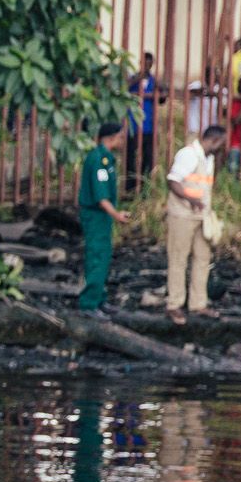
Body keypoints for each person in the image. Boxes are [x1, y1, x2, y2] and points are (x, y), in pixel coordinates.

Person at [164, 123, 227, 325]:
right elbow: (173, 181)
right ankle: (174, 304)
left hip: (202, 216)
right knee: (178, 258)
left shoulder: (208, 159)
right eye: (221, 144)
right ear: (214, 141)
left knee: (202, 259)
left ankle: (198, 303)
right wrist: (191, 200)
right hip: (182, 214)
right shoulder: (188, 154)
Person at [76, 122, 130, 314]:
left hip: (102, 216)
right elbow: (100, 197)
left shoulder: (106, 159)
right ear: (111, 138)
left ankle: (99, 298)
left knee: (104, 255)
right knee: (97, 256)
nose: (123, 141)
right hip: (96, 215)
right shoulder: (98, 159)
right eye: (121, 137)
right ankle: (89, 303)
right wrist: (116, 214)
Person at [126, 52, 162, 188]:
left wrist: (161, 87)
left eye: (149, 63)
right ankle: (130, 186)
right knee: (131, 157)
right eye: (145, 63)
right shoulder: (133, 79)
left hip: (149, 126)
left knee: (147, 158)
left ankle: (144, 185)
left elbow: (163, 98)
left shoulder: (154, 81)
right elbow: (123, 89)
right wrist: (138, 78)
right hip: (133, 125)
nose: (147, 66)